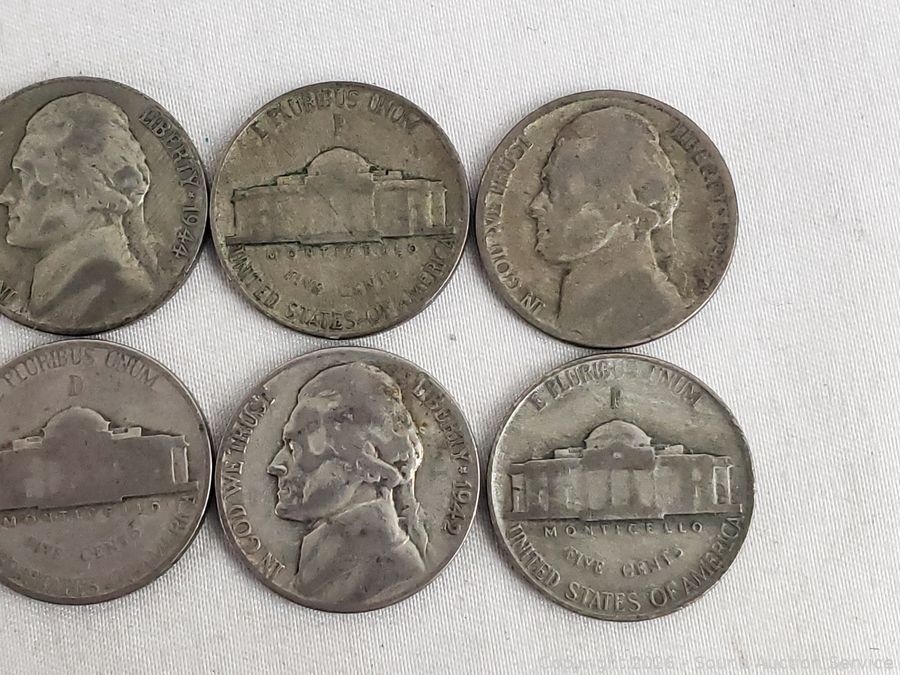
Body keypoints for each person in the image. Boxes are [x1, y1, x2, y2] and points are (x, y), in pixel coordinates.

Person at [267, 361, 428, 607]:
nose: (275, 465)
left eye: (293, 447)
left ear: (367, 464)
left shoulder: (392, 572)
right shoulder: (325, 562)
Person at [528, 106, 691, 344]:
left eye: (558, 190)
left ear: (630, 209)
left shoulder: (653, 312)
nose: (535, 205)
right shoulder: (580, 308)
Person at [0, 92, 157, 327]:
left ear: (88, 188)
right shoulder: (59, 292)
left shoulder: (119, 293)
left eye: (24, 176)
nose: (5, 196)